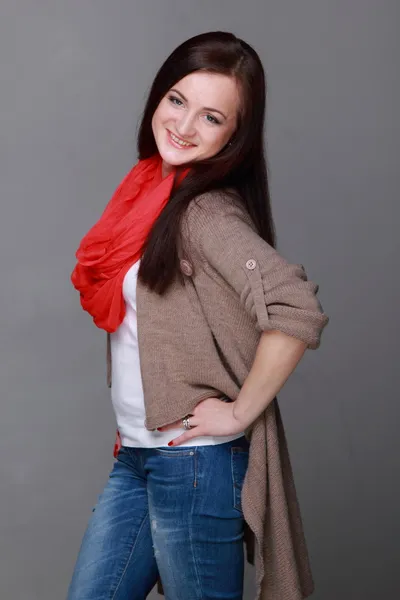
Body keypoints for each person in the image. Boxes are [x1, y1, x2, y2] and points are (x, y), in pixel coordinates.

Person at [68, 31, 329, 600]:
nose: (183, 127)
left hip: (195, 468)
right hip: (138, 456)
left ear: (235, 136)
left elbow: (295, 307)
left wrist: (239, 413)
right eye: (177, 100)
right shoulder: (148, 192)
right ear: (158, 96)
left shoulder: (204, 212)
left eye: (212, 117)